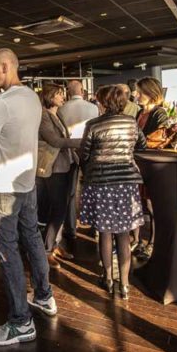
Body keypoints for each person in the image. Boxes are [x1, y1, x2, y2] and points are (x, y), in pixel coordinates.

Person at [0, 48, 57, 346]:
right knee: (32, 238)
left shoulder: (1, 103)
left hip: (2, 187)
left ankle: (21, 322)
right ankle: (44, 296)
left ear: (5, 67)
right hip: (26, 182)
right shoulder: (31, 97)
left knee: (7, 251)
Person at [79, 85, 146, 299]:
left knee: (105, 232)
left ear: (103, 102)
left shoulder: (94, 124)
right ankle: (125, 284)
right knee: (124, 233)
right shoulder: (131, 122)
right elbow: (141, 145)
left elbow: (84, 153)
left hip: (100, 182)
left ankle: (108, 278)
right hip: (126, 182)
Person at [36, 84, 80, 269]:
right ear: (49, 96)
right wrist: (82, 141)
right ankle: (47, 250)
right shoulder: (43, 116)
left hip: (66, 164)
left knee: (62, 206)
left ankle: (53, 245)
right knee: (58, 209)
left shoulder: (57, 114)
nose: (63, 97)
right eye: (59, 94)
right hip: (55, 168)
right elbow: (54, 141)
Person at [57, 79, 99, 243]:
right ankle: (95, 225)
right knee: (93, 189)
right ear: (82, 90)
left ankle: (71, 228)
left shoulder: (62, 109)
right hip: (90, 152)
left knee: (70, 192)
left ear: (68, 92)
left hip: (69, 151)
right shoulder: (93, 108)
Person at [133, 77, 169, 260]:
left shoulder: (159, 113)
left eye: (139, 92)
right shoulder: (140, 112)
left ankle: (152, 242)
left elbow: (156, 139)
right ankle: (137, 240)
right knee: (138, 203)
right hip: (138, 164)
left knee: (151, 204)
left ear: (151, 93)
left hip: (151, 166)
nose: (136, 95)